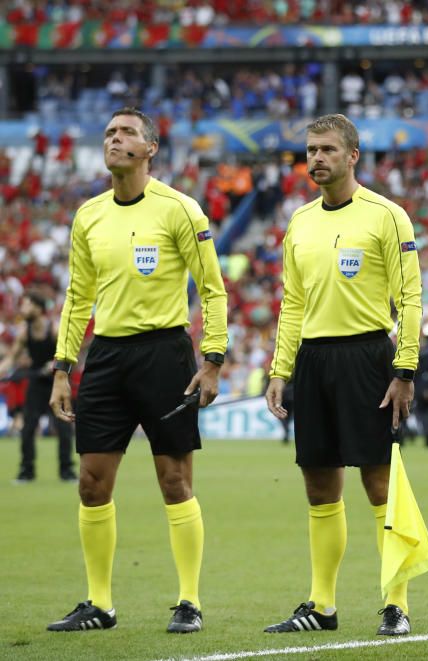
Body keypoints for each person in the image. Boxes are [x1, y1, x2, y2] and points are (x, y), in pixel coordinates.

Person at [46, 107, 228, 634]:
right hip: (105, 357)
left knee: (174, 480)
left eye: (125, 132)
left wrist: (211, 360)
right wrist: (63, 368)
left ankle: (189, 601)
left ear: (150, 148)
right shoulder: (89, 215)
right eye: (108, 132)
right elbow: (78, 297)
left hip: (164, 353)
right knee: (90, 484)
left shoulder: (181, 209)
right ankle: (99, 604)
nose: (113, 139)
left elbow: (212, 289)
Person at [263, 113, 422, 637]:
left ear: (353, 155)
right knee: (318, 483)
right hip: (313, 359)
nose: (317, 159)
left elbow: (411, 297)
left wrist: (405, 367)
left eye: (328, 149)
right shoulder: (300, 222)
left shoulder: (387, 216)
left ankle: (395, 605)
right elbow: (292, 302)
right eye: (311, 150)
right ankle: (322, 605)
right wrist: (280, 368)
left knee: (379, 481)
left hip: (368, 358)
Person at [0, 292, 75, 483]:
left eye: (26, 305)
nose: (22, 309)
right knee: (28, 428)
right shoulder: (25, 332)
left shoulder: (54, 329)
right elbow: (12, 357)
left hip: (56, 383)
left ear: (38, 308)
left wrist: (54, 364)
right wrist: (2, 369)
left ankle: (67, 472)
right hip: (36, 384)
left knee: (63, 428)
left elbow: (69, 352)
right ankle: (27, 472)